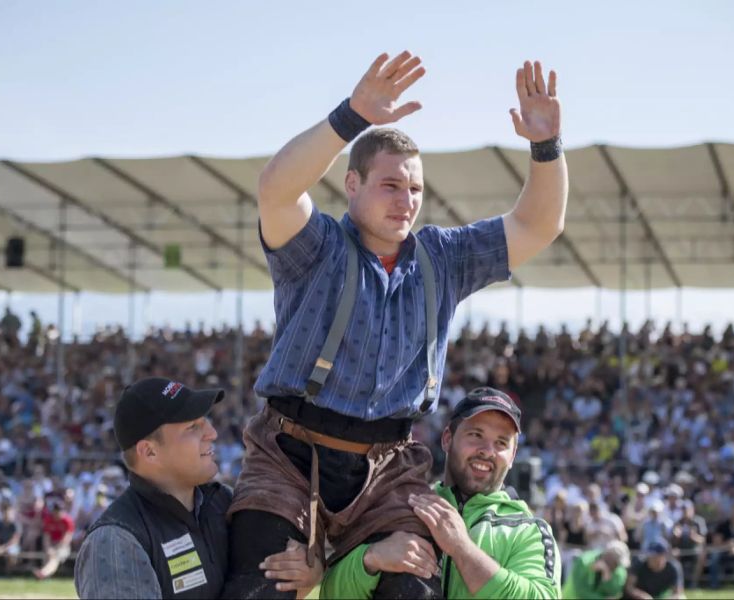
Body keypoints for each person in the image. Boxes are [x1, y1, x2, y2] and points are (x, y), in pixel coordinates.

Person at [225, 50, 568, 599]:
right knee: (260, 588)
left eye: (414, 190)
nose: (405, 201)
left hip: (388, 468)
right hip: (290, 453)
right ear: (352, 184)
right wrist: (352, 115)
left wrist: (546, 147)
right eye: (390, 186)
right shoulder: (316, 246)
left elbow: (539, 223)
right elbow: (276, 189)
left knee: (410, 591)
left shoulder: (444, 256)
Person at [74, 377, 319, 599]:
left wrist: (307, 573)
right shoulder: (116, 541)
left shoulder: (225, 504)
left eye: (206, 422)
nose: (212, 433)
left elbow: (268, 587)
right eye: (193, 427)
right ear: (149, 451)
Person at [320, 387, 561, 598]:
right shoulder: (405, 504)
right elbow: (329, 593)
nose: (487, 451)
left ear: (513, 456)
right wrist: (371, 559)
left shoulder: (529, 531)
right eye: (476, 435)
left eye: (501, 443)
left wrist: (460, 547)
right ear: (447, 438)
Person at [562, 540, 631, 599]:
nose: (617, 566)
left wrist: (606, 576)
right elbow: (580, 591)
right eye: (616, 562)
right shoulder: (584, 561)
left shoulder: (620, 570)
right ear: (608, 556)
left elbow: (614, 593)